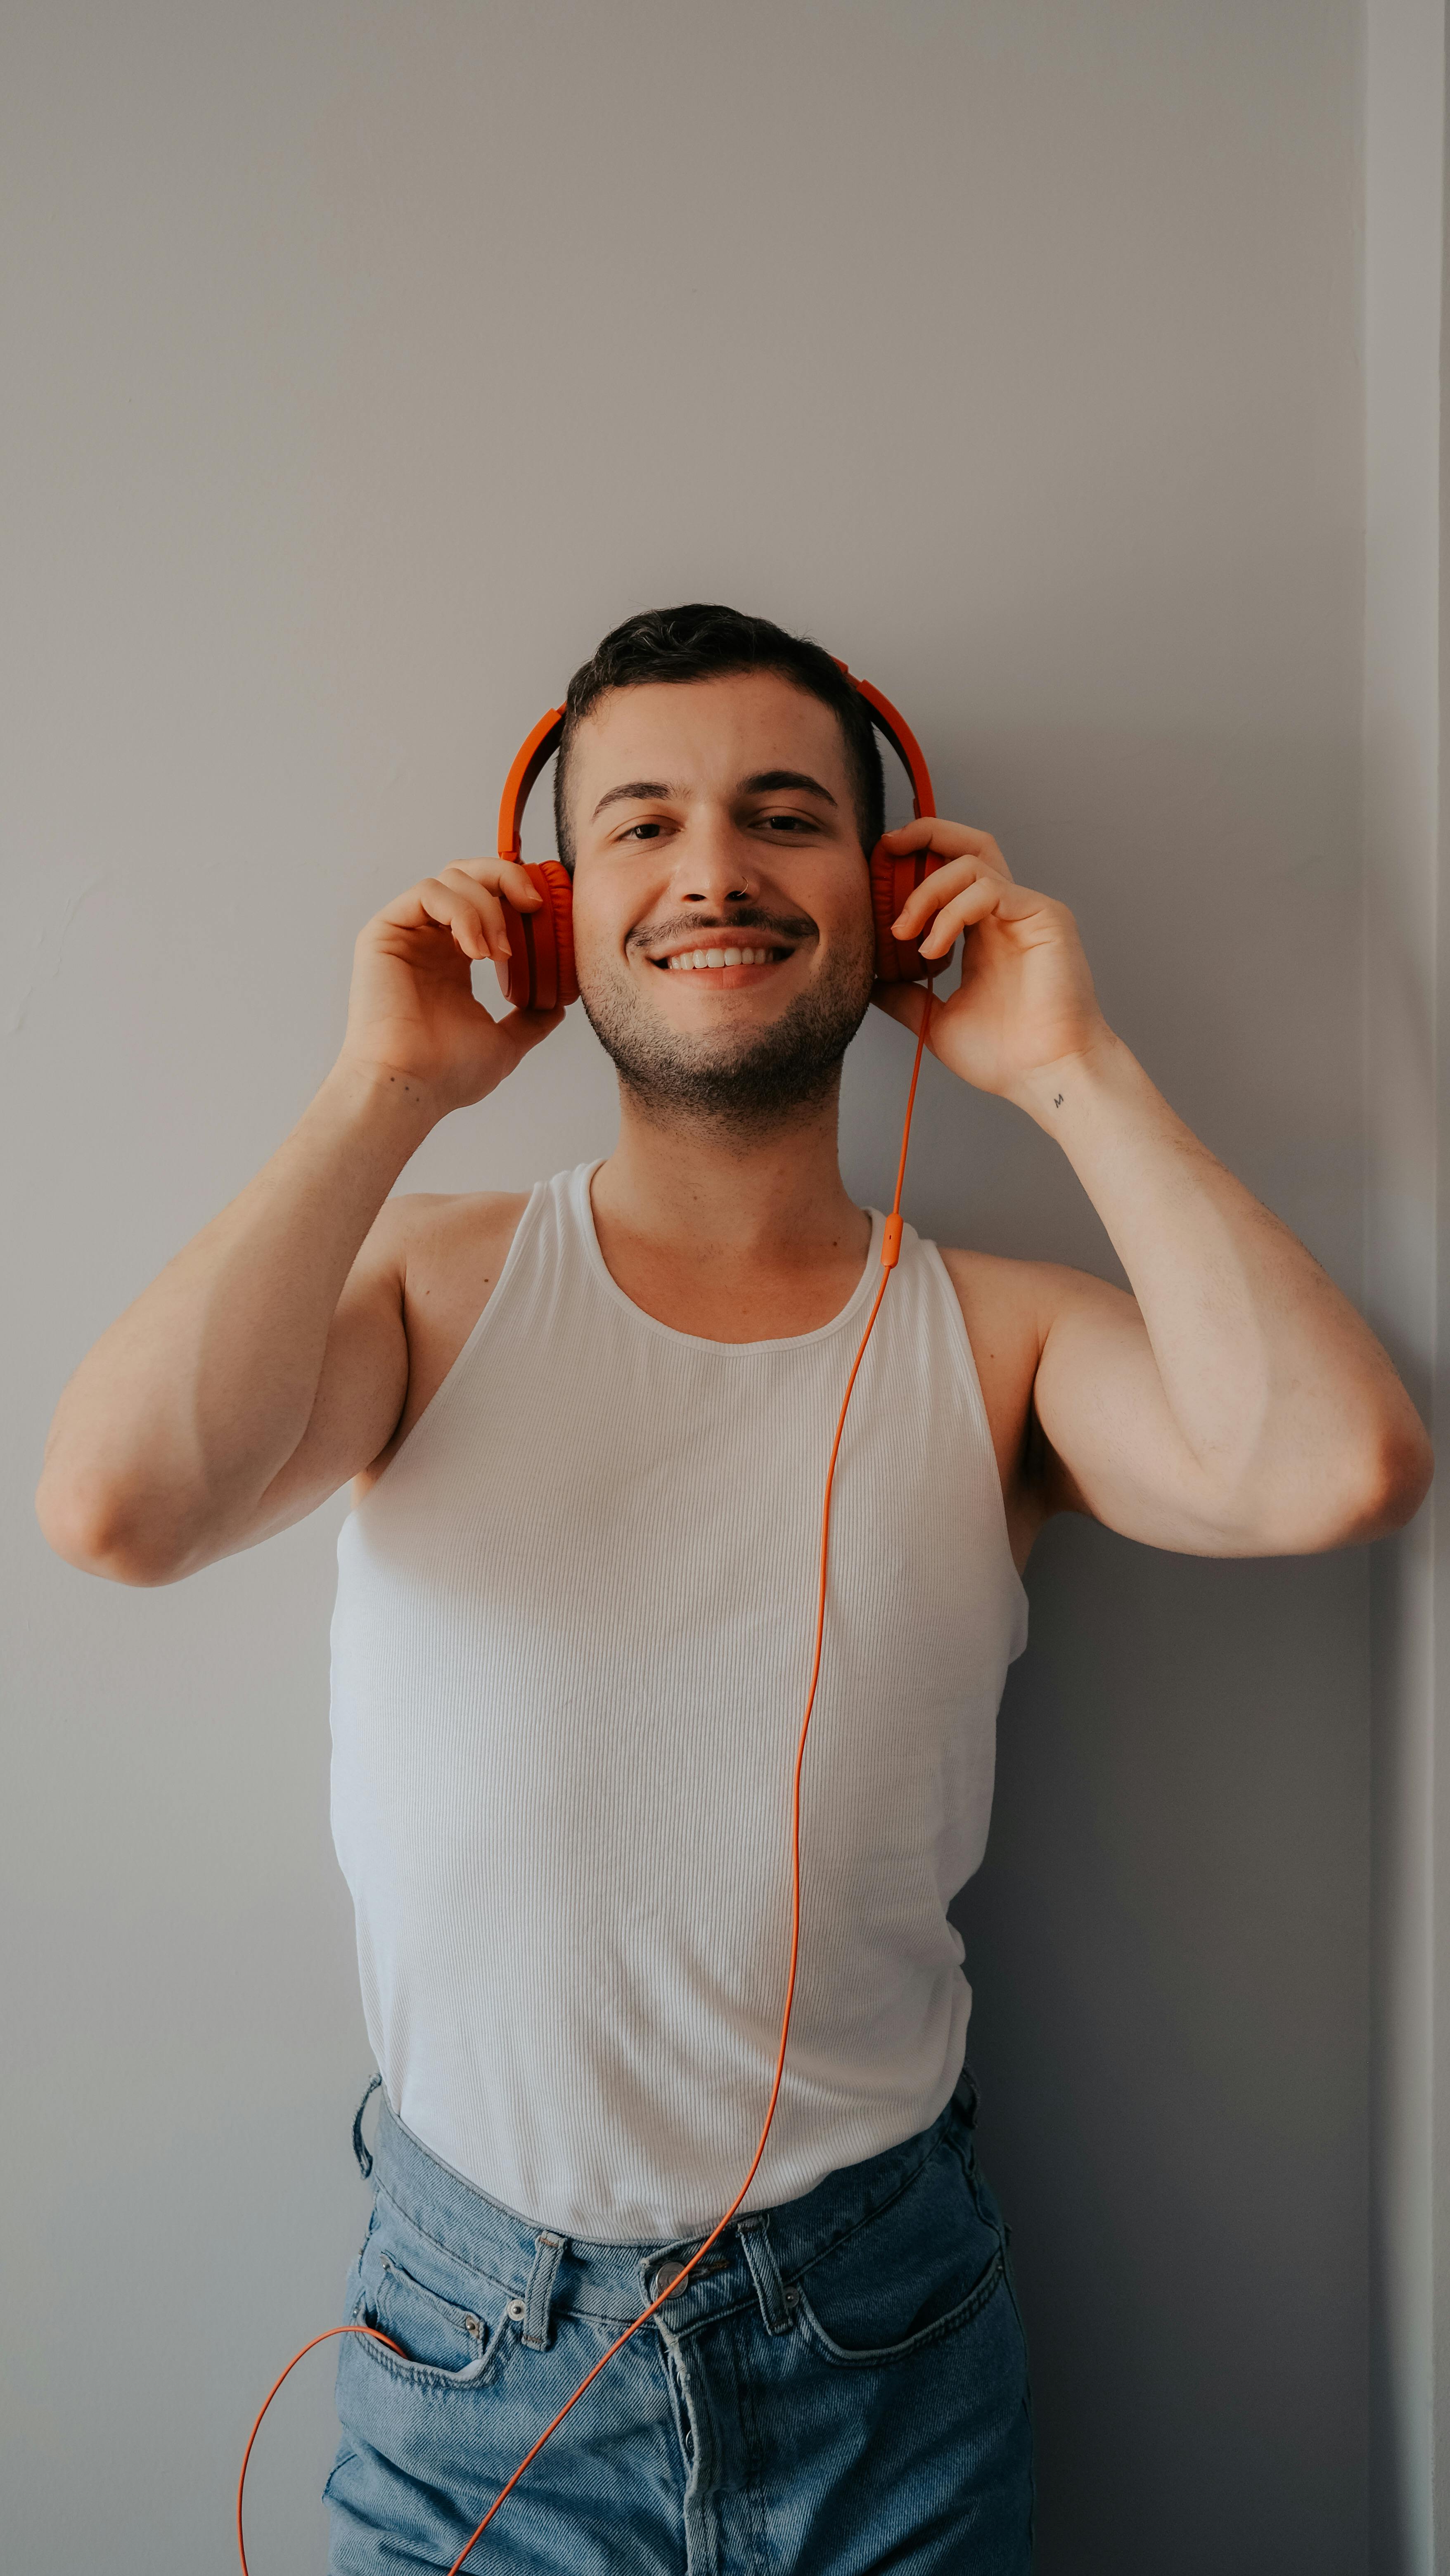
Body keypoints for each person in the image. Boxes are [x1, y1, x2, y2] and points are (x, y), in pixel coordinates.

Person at [36, 604, 1431, 2574]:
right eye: (640, 826)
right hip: (474, 2359)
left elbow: (1334, 1465)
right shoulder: (431, 1283)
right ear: (550, 902)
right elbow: (117, 1506)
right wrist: (385, 1090)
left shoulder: (999, 1339)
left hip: (882, 2344)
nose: (711, 869)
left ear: (885, 894)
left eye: (781, 818)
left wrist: (1069, 1065)